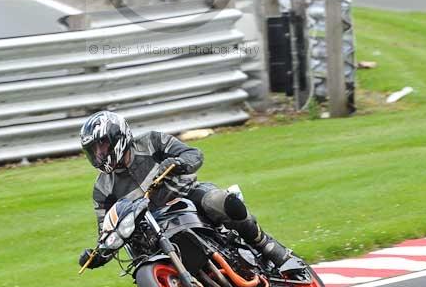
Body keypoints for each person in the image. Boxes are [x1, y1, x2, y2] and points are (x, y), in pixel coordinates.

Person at [78, 111, 293, 270]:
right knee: (138, 257)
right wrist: (98, 255)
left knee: (220, 201)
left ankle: (265, 244)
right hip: (150, 228)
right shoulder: (102, 189)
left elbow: (194, 154)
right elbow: (107, 229)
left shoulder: (152, 141)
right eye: (93, 150)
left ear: (118, 137)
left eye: (101, 146)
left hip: (186, 195)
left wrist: (179, 163)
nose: (99, 154)